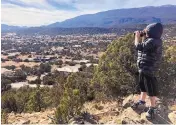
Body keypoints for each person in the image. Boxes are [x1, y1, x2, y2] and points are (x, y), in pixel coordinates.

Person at [131, 23, 163, 119]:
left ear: (151, 32)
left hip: (149, 69)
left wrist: (137, 37)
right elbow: (144, 46)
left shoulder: (153, 41)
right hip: (143, 68)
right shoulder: (151, 40)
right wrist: (144, 36)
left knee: (150, 89)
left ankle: (153, 108)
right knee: (143, 86)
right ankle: (142, 101)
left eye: (147, 31)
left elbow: (139, 47)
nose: (145, 32)